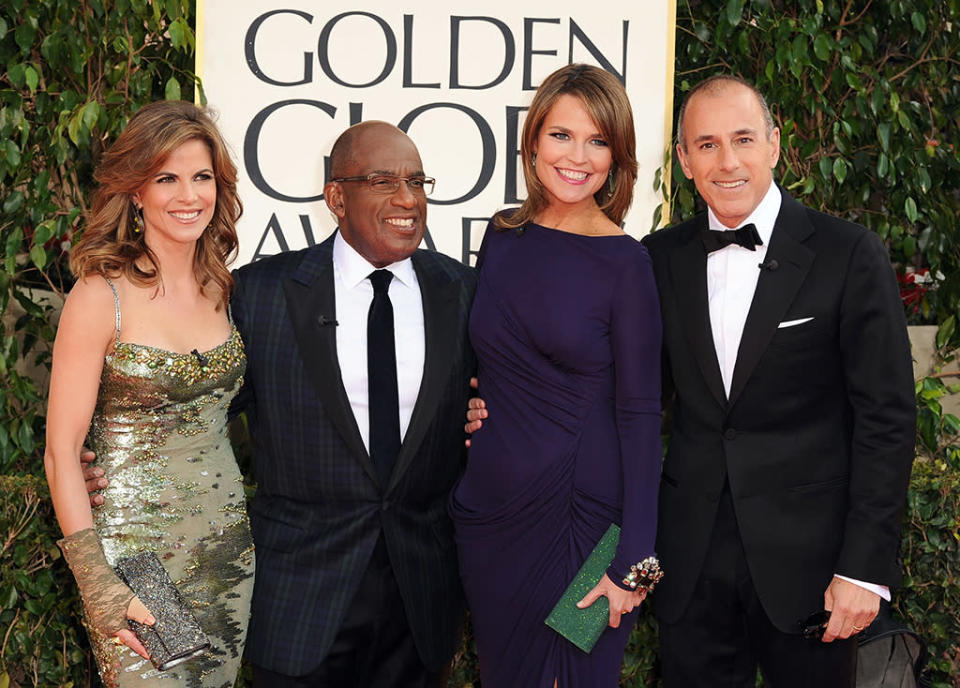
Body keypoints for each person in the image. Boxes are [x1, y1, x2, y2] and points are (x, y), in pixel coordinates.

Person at [641, 75, 915, 686]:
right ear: (684, 160)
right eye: (706, 145)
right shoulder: (656, 259)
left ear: (774, 143)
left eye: (743, 139)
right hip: (690, 570)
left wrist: (864, 569)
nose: (728, 160)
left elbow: (887, 419)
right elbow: (634, 402)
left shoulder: (848, 254)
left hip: (816, 577)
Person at [230, 120, 476, 687]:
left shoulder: (464, 292)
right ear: (336, 197)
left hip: (420, 610)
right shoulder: (262, 294)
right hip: (300, 605)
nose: (407, 199)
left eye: (417, 181)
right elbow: (197, 416)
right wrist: (117, 464)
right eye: (383, 180)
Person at [450, 63, 663, 686]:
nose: (578, 156)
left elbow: (643, 417)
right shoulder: (503, 236)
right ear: (532, 141)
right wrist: (473, 408)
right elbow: (490, 360)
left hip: (587, 528)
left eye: (598, 140)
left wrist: (636, 565)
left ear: (617, 156)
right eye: (562, 135)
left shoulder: (627, 263)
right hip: (491, 519)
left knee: (573, 677)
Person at [44, 100, 253, 687]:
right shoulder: (100, 293)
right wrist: (96, 582)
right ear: (136, 190)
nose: (189, 195)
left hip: (227, 549)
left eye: (202, 177)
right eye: (167, 178)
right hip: (134, 558)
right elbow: (62, 452)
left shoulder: (220, 286)